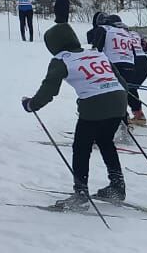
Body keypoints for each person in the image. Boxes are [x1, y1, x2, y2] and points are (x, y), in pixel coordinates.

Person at [20, 23, 130, 208]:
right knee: (105, 141)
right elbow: (122, 82)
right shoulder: (97, 53)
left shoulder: (62, 59)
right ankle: (117, 186)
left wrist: (32, 104)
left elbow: (49, 88)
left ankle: (80, 193)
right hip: (119, 101)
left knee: (81, 147)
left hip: (94, 105)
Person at [87, 12, 147, 134]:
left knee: (118, 91)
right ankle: (137, 114)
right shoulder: (132, 33)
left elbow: (98, 49)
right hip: (143, 64)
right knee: (128, 89)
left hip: (128, 62)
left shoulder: (111, 31)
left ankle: (122, 120)